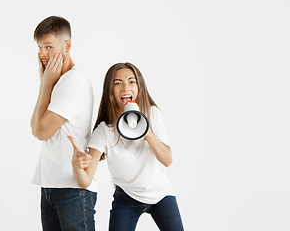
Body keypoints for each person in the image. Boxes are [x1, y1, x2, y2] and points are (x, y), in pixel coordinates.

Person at [69, 62, 184, 231]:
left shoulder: (152, 114)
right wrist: (76, 166)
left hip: (161, 194)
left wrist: (146, 132)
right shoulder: (104, 130)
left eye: (131, 81)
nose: (125, 87)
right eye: (117, 83)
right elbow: (85, 180)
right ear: (110, 90)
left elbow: (167, 160)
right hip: (127, 199)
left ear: (139, 87)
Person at [30, 16, 97, 231]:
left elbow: (41, 131)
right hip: (51, 185)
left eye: (49, 46)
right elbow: (35, 128)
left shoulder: (74, 81)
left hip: (72, 189)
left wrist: (46, 84)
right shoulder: (58, 81)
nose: (43, 54)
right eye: (40, 47)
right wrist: (46, 84)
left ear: (67, 45)